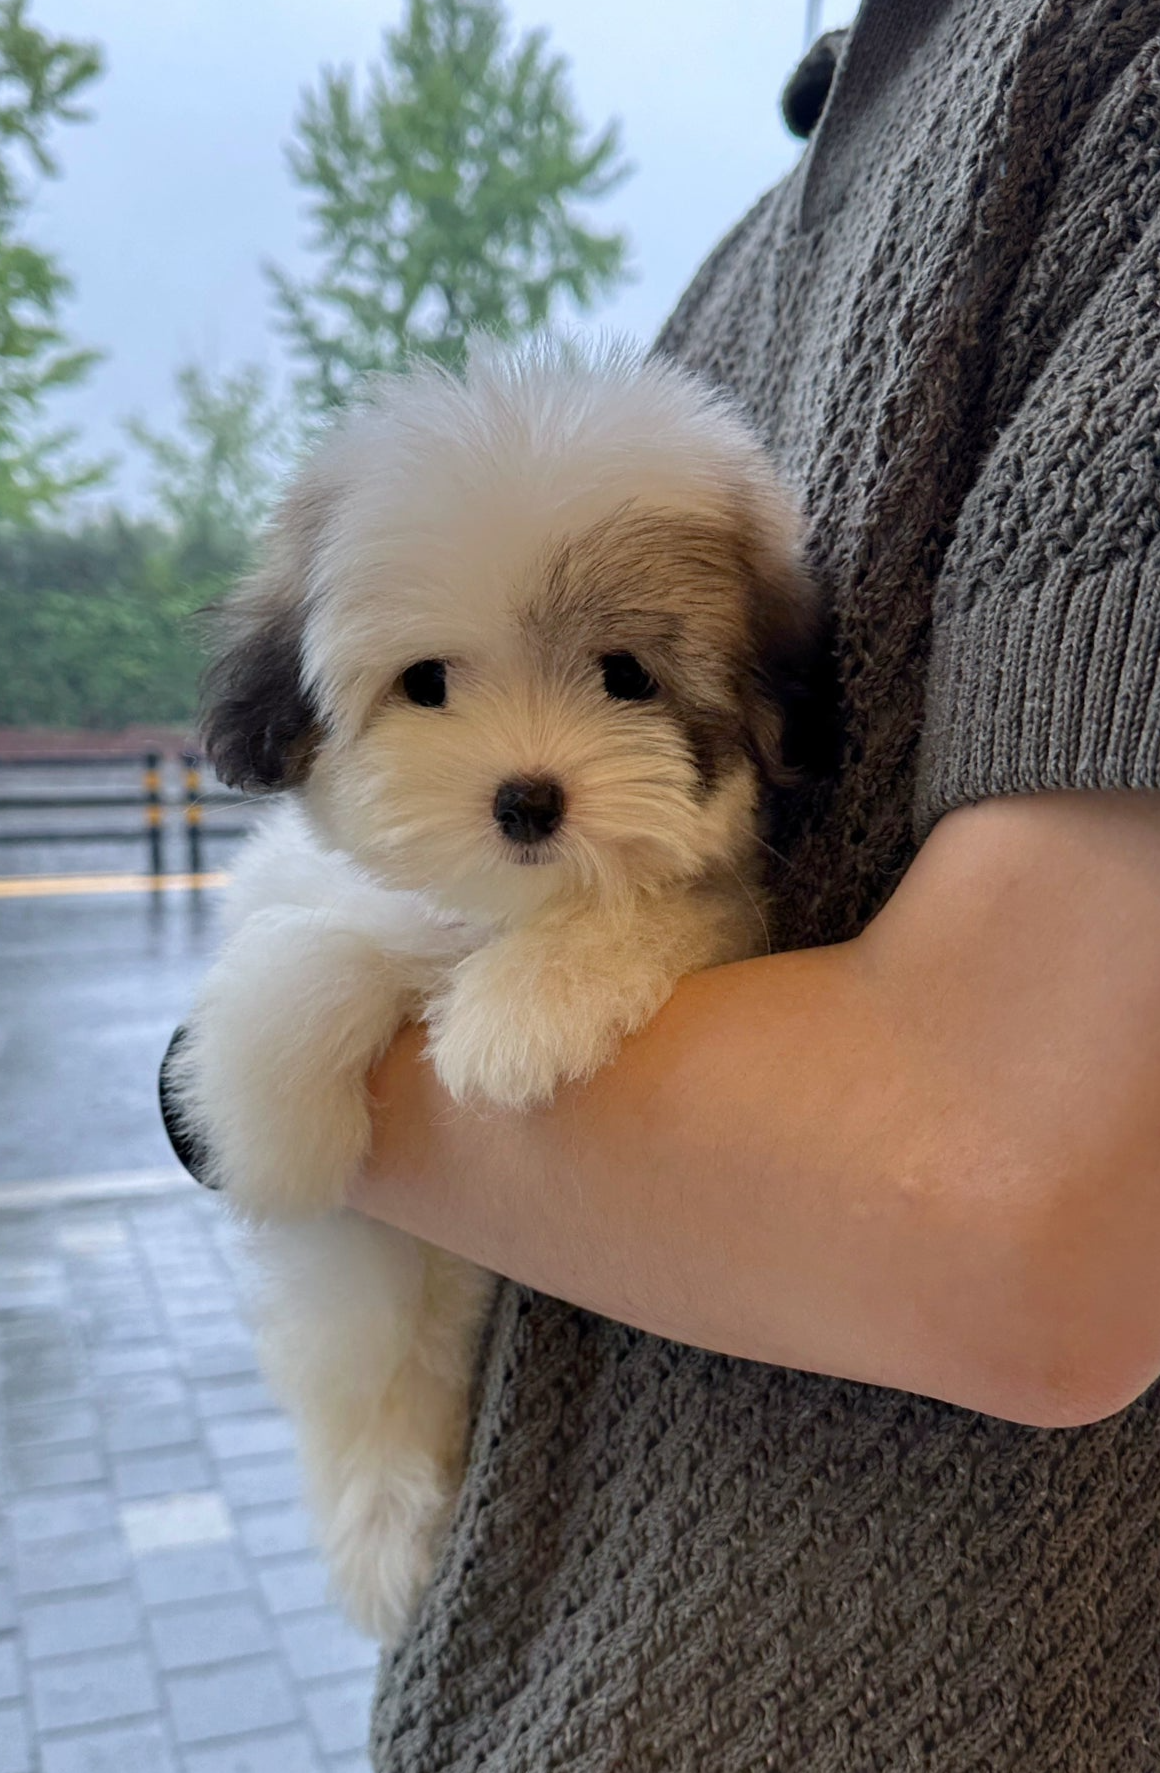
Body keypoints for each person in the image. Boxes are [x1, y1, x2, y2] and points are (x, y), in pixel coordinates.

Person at [352, 3, 1160, 1768]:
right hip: (508, 1686)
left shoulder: (1108, 91)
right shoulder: (755, 231)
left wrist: (266, 1070)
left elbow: (1021, 1226)